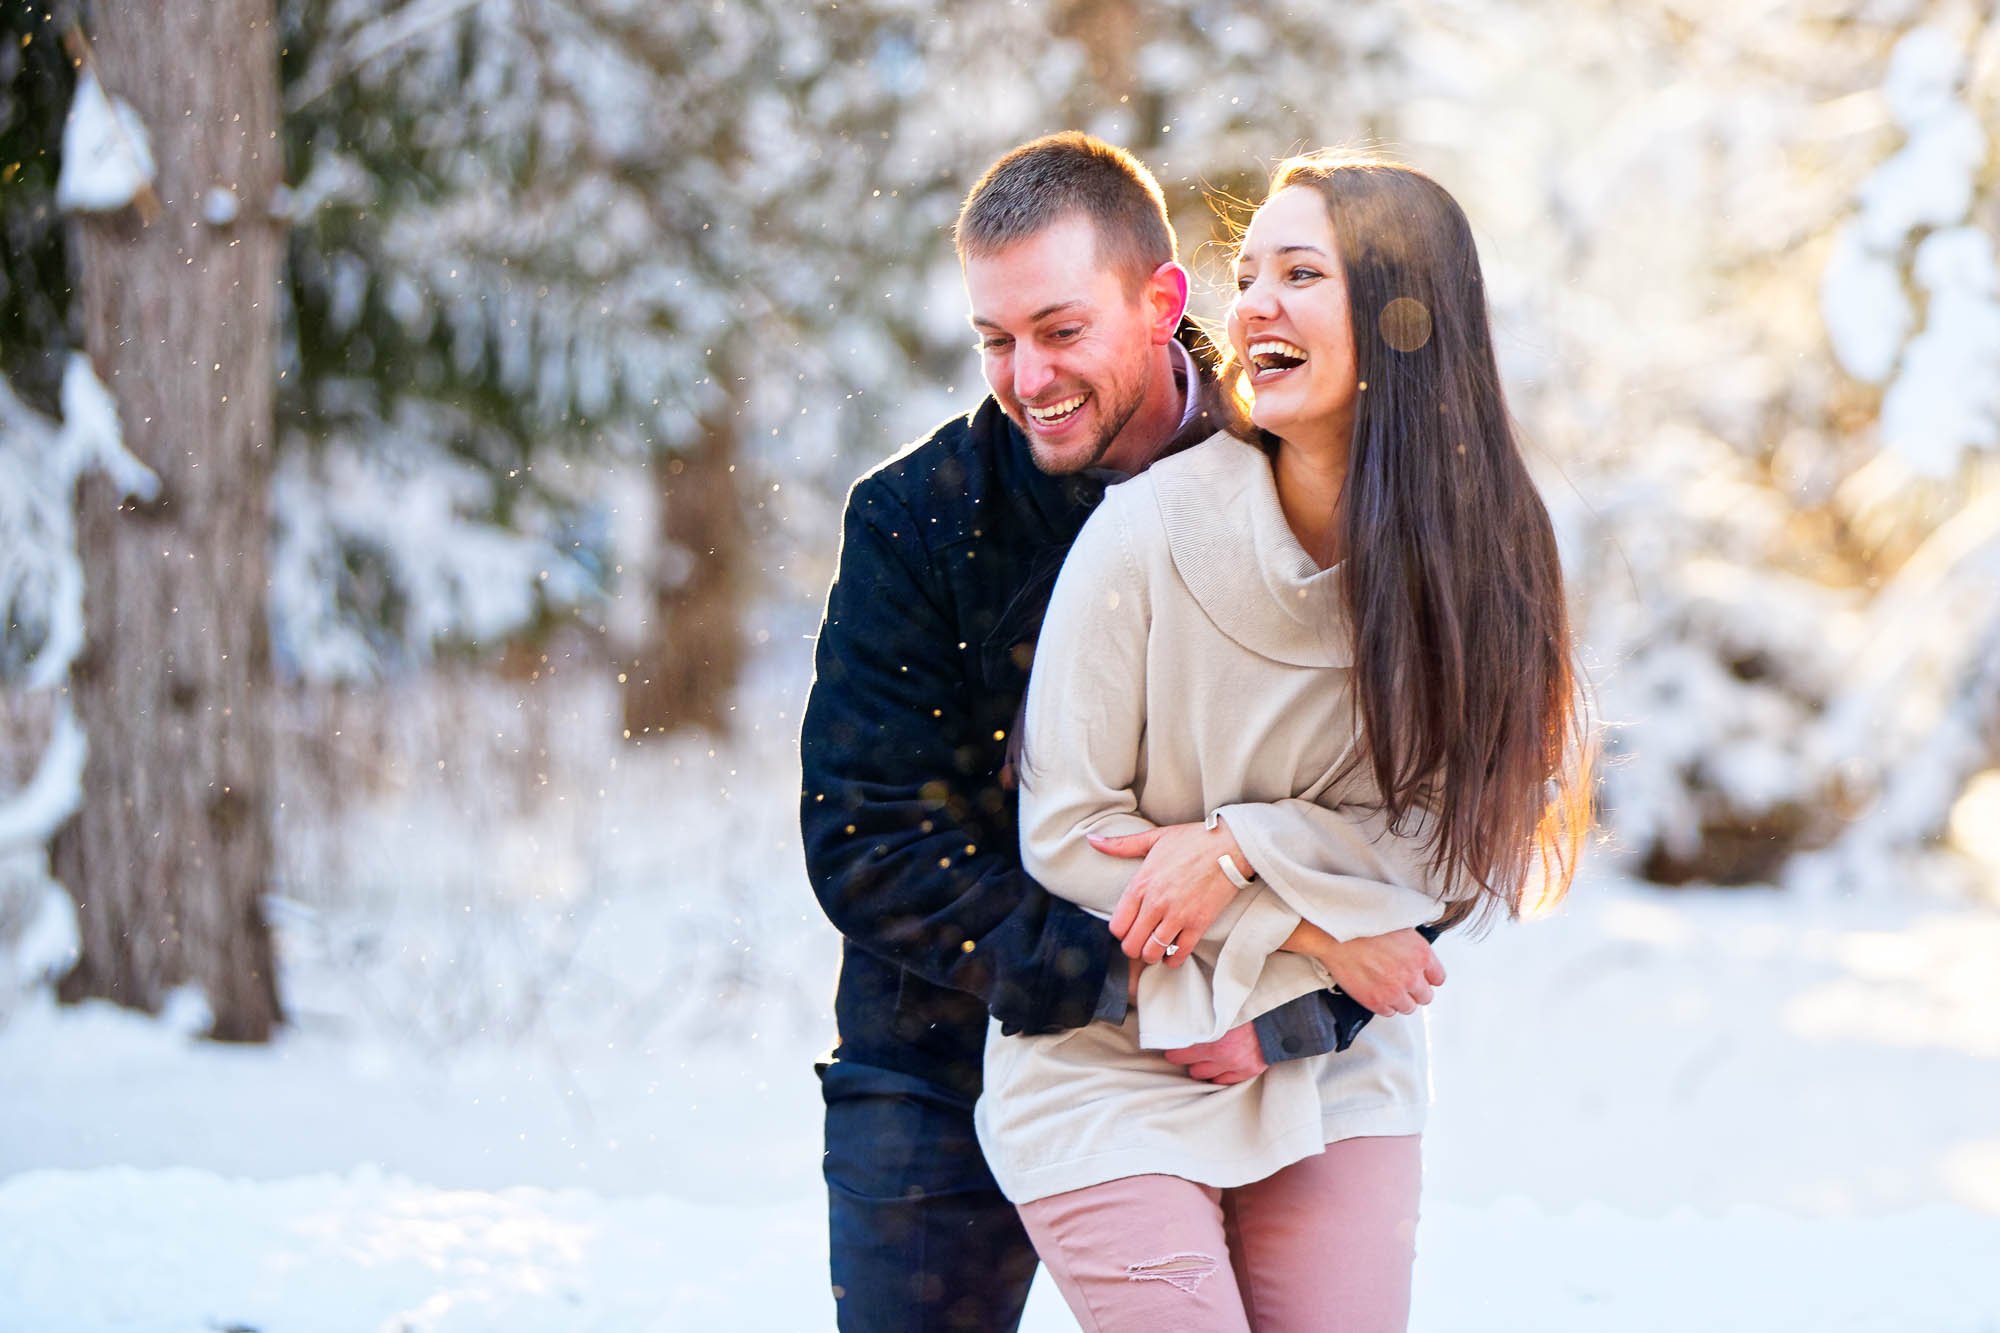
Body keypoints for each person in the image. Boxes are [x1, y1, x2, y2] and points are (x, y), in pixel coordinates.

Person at [799, 133, 1448, 1333]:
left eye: (1058, 330)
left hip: (1263, 1050)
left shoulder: (1291, 466)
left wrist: (1300, 1006)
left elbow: (1398, 812)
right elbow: (870, 842)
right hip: (939, 1044)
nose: (1024, 376)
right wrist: (1145, 987)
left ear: (1161, 303)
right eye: (993, 340)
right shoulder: (919, 520)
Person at [977, 150, 1594, 1331]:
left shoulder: (1486, 554)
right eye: (1247, 271)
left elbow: (1445, 848)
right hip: (1109, 1054)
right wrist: (1310, 921)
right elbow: (1067, 831)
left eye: (1299, 273)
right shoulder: (1148, 527)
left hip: (1329, 1065)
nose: (1251, 302)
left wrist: (1238, 848)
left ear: (1406, 316)